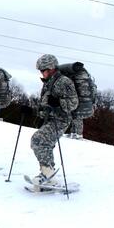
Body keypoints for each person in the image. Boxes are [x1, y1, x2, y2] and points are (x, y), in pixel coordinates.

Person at [30, 54, 78, 187]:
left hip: (60, 120)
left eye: (42, 70)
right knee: (46, 145)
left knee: (37, 140)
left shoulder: (64, 81)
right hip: (49, 119)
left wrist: (59, 102)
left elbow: (74, 103)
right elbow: (45, 103)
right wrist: (36, 113)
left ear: (51, 68)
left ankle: (48, 172)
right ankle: (48, 175)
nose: (41, 73)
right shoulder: (48, 83)